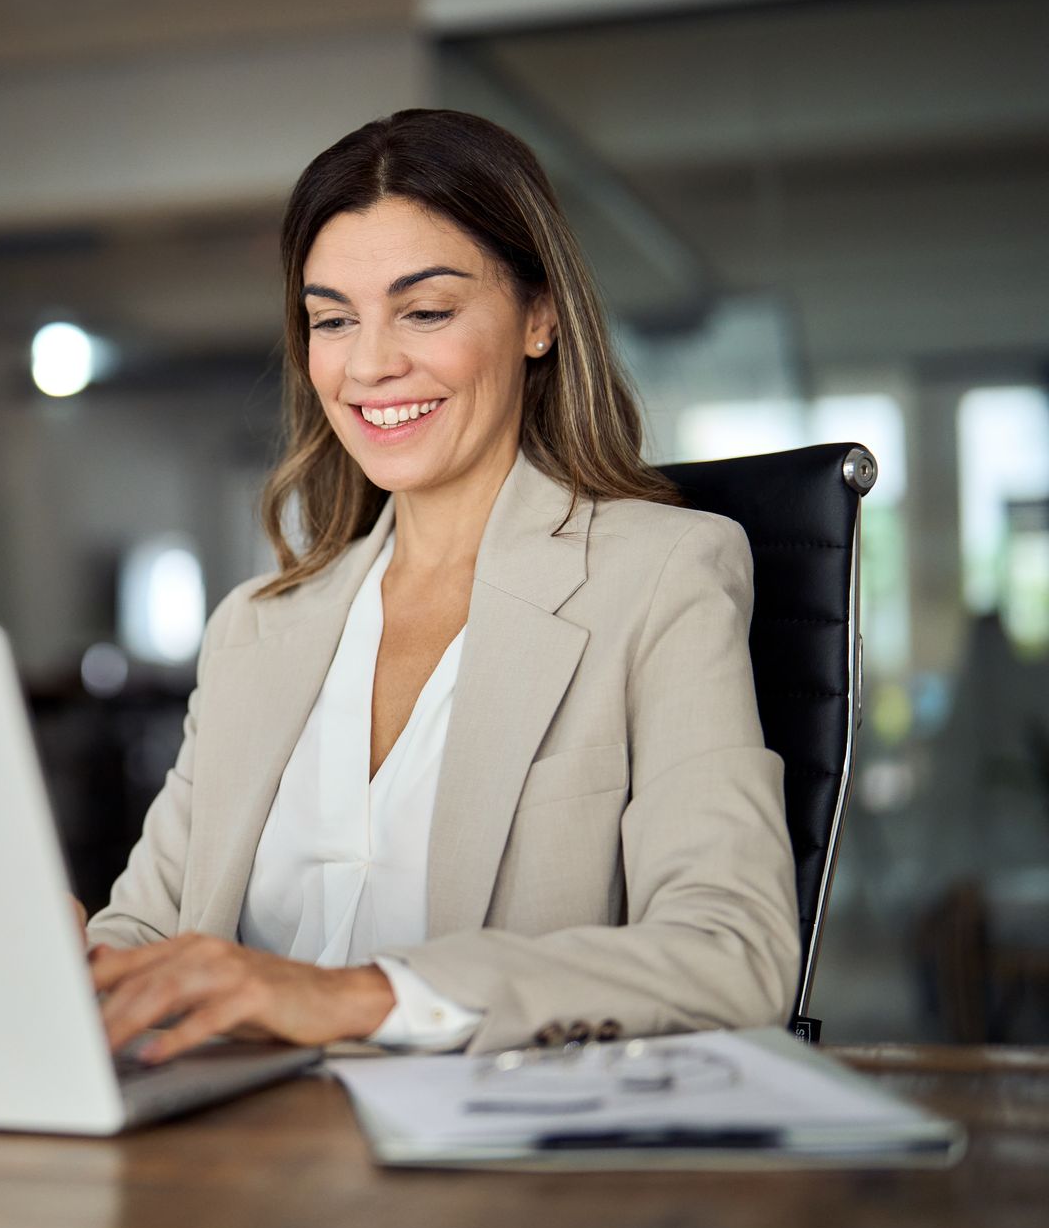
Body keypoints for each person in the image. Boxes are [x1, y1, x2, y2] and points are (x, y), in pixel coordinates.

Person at [83, 109, 800, 1062]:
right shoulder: (256, 628)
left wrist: (356, 998)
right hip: (242, 1160)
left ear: (538, 318)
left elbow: (732, 954)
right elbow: (145, 938)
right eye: (333, 319)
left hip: (493, 1177)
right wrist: (67, 963)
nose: (371, 363)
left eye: (425, 311)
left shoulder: (660, 576)